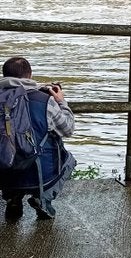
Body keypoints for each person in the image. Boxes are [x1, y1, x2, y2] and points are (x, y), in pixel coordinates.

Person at [0, 56, 76, 220]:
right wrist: (62, 102)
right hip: (41, 175)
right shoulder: (45, 100)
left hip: (4, 172)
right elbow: (68, 129)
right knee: (70, 160)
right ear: (30, 75)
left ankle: (12, 196)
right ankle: (42, 199)